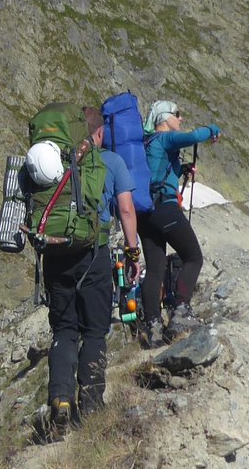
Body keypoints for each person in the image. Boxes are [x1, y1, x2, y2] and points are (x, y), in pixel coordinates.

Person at [29, 108, 139, 438]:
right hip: (94, 254)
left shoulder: (52, 162)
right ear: (99, 132)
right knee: (94, 330)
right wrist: (133, 252)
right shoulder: (109, 162)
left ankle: (61, 398)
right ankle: (90, 405)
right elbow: (126, 209)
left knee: (64, 330)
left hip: (56, 255)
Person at [140, 100, 221, 341]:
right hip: (165, 208)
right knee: (193, 257)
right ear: (164, 118)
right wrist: (213, 129)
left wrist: (181, 169)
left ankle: (153, 326)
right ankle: (181, 311)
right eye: (177, 114)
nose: (180, 118)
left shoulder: (147, 143)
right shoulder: (165, 138)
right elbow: (195, 135)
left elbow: (156, 172)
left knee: (155, 269)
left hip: (145, 214)